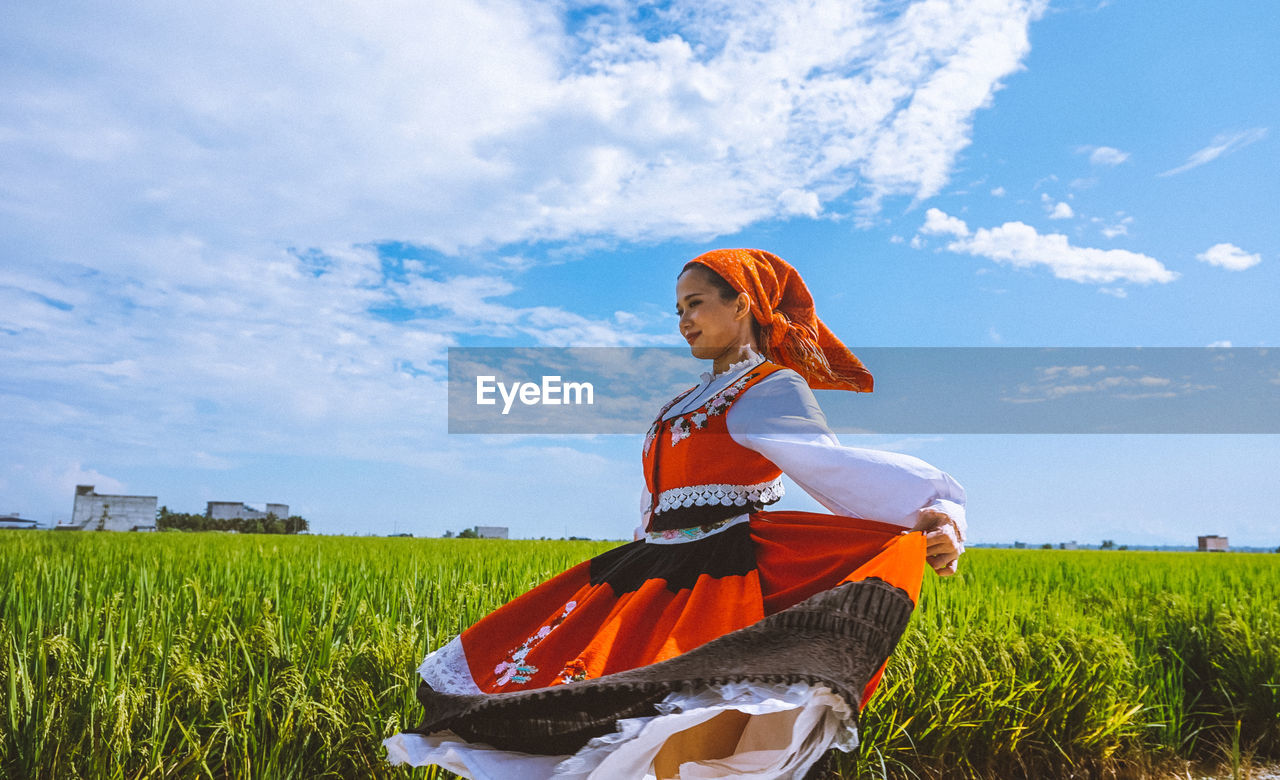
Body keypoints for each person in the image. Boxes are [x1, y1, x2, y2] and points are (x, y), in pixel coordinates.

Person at [385, 248, 966, 779]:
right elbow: (654, 503)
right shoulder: (682, 403)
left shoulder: (767, 387)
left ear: (742, 305)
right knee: (612, 734)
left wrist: (933, 510)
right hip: (652, 575)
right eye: (679, 309)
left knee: (679, 746)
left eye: (697, 305)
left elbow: (829, 466)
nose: (684, 320)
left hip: (720, 580)